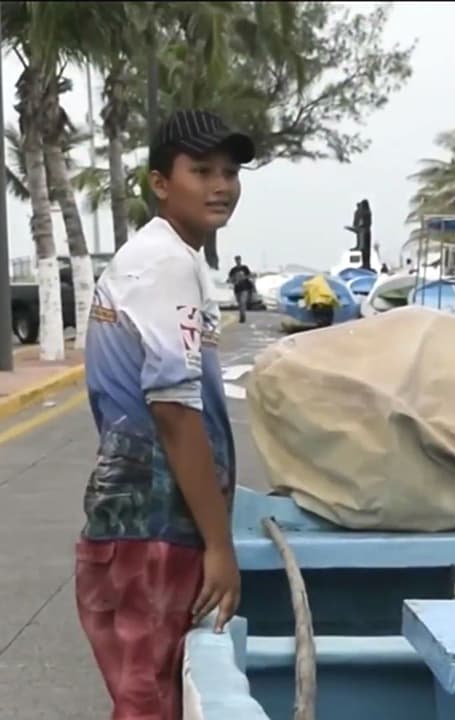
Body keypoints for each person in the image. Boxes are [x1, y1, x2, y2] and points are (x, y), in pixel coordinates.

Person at [79, 110, 253, 720]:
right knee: (151, 705)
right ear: (159, 183)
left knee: (152, 700)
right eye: (200, 170)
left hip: (147, 529)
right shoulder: (166, 263)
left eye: (230, 172)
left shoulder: (176, 259)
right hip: (151, 533)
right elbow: (176, 413)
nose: (220, 185)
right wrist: (220, 545)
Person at [226, 255, 254, 322]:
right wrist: (231, 280)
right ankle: (241, 314)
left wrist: (244, 277)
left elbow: (249, 275)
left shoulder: (245, 268)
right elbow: (230, 278)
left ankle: (242, 316)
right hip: (237, 289)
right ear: (235, 261)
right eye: (236, 260)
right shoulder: (233, 270)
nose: (238, 261)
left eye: (239, 259)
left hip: (244, 288)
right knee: (239, 303)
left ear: (240, 260)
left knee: (242, 302)